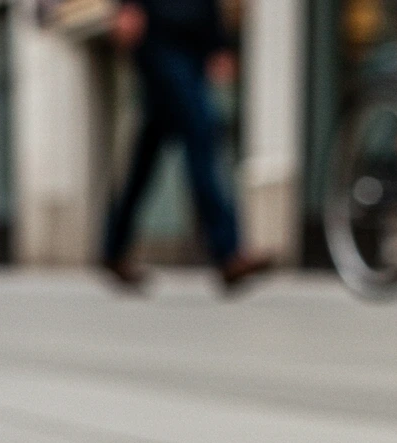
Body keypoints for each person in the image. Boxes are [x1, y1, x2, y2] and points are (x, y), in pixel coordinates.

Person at [103, 1, 272, 290]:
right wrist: (126, 6)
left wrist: (218, 44)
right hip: (157, 37)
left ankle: (113, 248)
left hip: (191, 46)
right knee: (201, 135)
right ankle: (228, 252)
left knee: (147, 153)